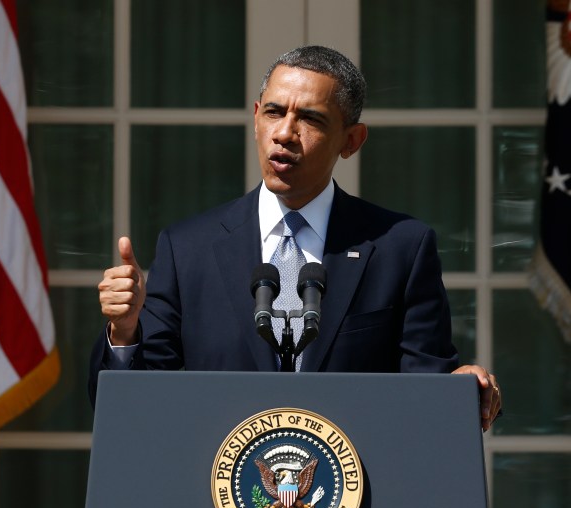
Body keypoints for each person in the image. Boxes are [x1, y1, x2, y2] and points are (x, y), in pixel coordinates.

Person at [90, 45, 502, 429]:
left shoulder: (401, 248)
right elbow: (129, 409)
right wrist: (124, 332)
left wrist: (460, 390)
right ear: (255, 119)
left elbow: (427, 395)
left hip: (358, 494)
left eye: (310, 118)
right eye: (273, 112)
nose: (285, 133)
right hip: (219, 494)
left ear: (351, 141)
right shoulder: (188, 249)